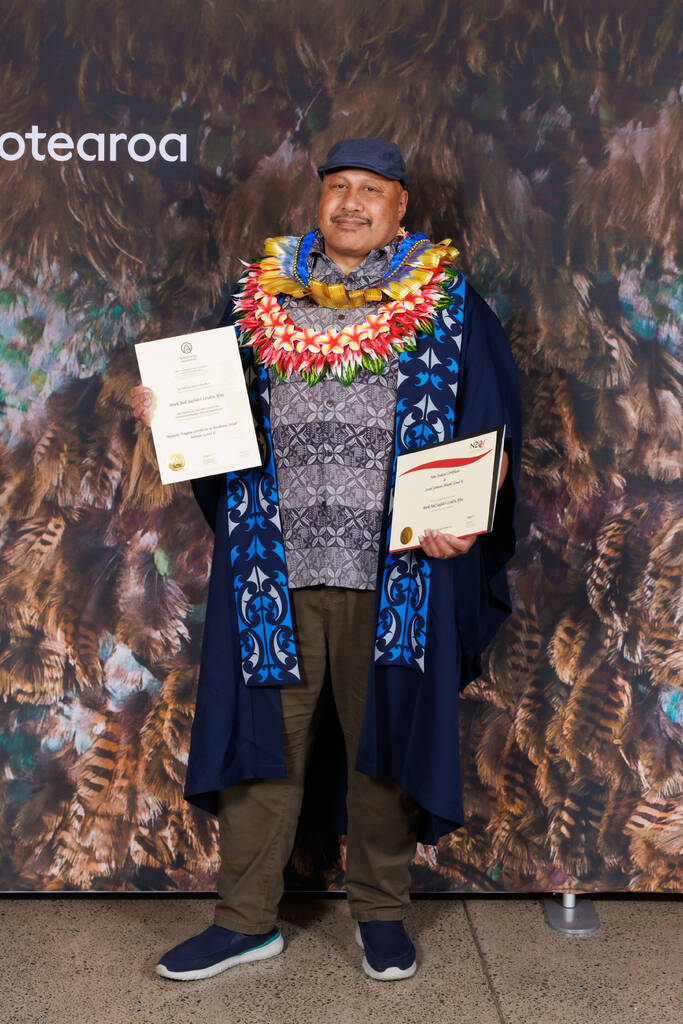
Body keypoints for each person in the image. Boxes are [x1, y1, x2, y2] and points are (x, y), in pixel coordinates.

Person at [130, 138, 521, 983]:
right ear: (318, 201)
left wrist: (468, 521)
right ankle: (244, 921)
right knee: (263, 743)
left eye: (370, 190)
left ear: (400, 206)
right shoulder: (257, 302)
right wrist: (168, 412)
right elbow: (213, 417)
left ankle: (380, 914)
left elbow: (487, 421)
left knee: (382, 739)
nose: (350, 202)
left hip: (398, 567)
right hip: (277, 561)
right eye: (336, 187)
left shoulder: (450, 303)